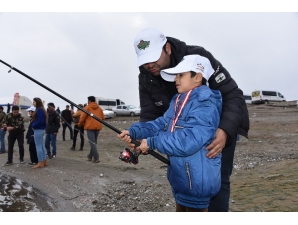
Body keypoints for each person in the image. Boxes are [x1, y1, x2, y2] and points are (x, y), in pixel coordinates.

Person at [133, 28, 250, 212]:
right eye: (145, 61)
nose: (150, 65)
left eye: (154, 57)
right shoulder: (146, 76)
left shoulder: (199, 57)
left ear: (168, 48)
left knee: (215, 180)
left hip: (215, 132)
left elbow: (233, 95)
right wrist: (139, 137)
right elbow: (150, 114)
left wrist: (225, 131)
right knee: (185, 178)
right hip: (180, 137)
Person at [118, 55, 222, 211]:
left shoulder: (205, 104)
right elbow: (160, 124)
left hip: (196, 185)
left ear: (198, 77)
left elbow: (189, 141)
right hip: (183, 182)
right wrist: (134, 131)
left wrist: (153, 142)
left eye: (181, 75)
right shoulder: (179, 101)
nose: (175, 79)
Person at [78, 96, 105, 163]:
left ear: (89, 100)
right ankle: (90, 156)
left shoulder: (87, 107)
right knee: (94, 142)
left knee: (92, 143)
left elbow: (82, 118)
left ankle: (96, 157)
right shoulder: (99, 108)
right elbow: (103, 118)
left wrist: (79, 124)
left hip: (90, 127)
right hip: (98, 127)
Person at [31, 97, 48, 169]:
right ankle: (44, 161)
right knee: (41, 146)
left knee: (38, 146)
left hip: (38, 129)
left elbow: (40, 120)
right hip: (42, 129)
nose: (33, 103)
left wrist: (33, 125)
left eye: (34, 102)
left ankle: (40, 162)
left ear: (37, 102)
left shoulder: (39, 110)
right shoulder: (42, 109)